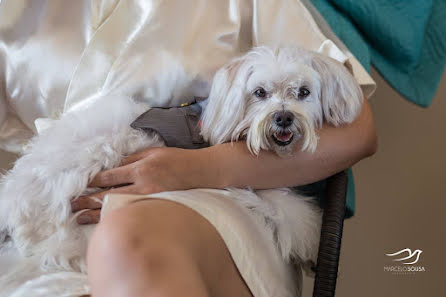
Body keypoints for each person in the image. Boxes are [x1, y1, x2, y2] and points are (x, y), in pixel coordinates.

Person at [0, 1, 377, 296]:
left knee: (129, 243)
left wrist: (198, 168)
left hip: (215, 199)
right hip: (48, 207)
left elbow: (356, 132)